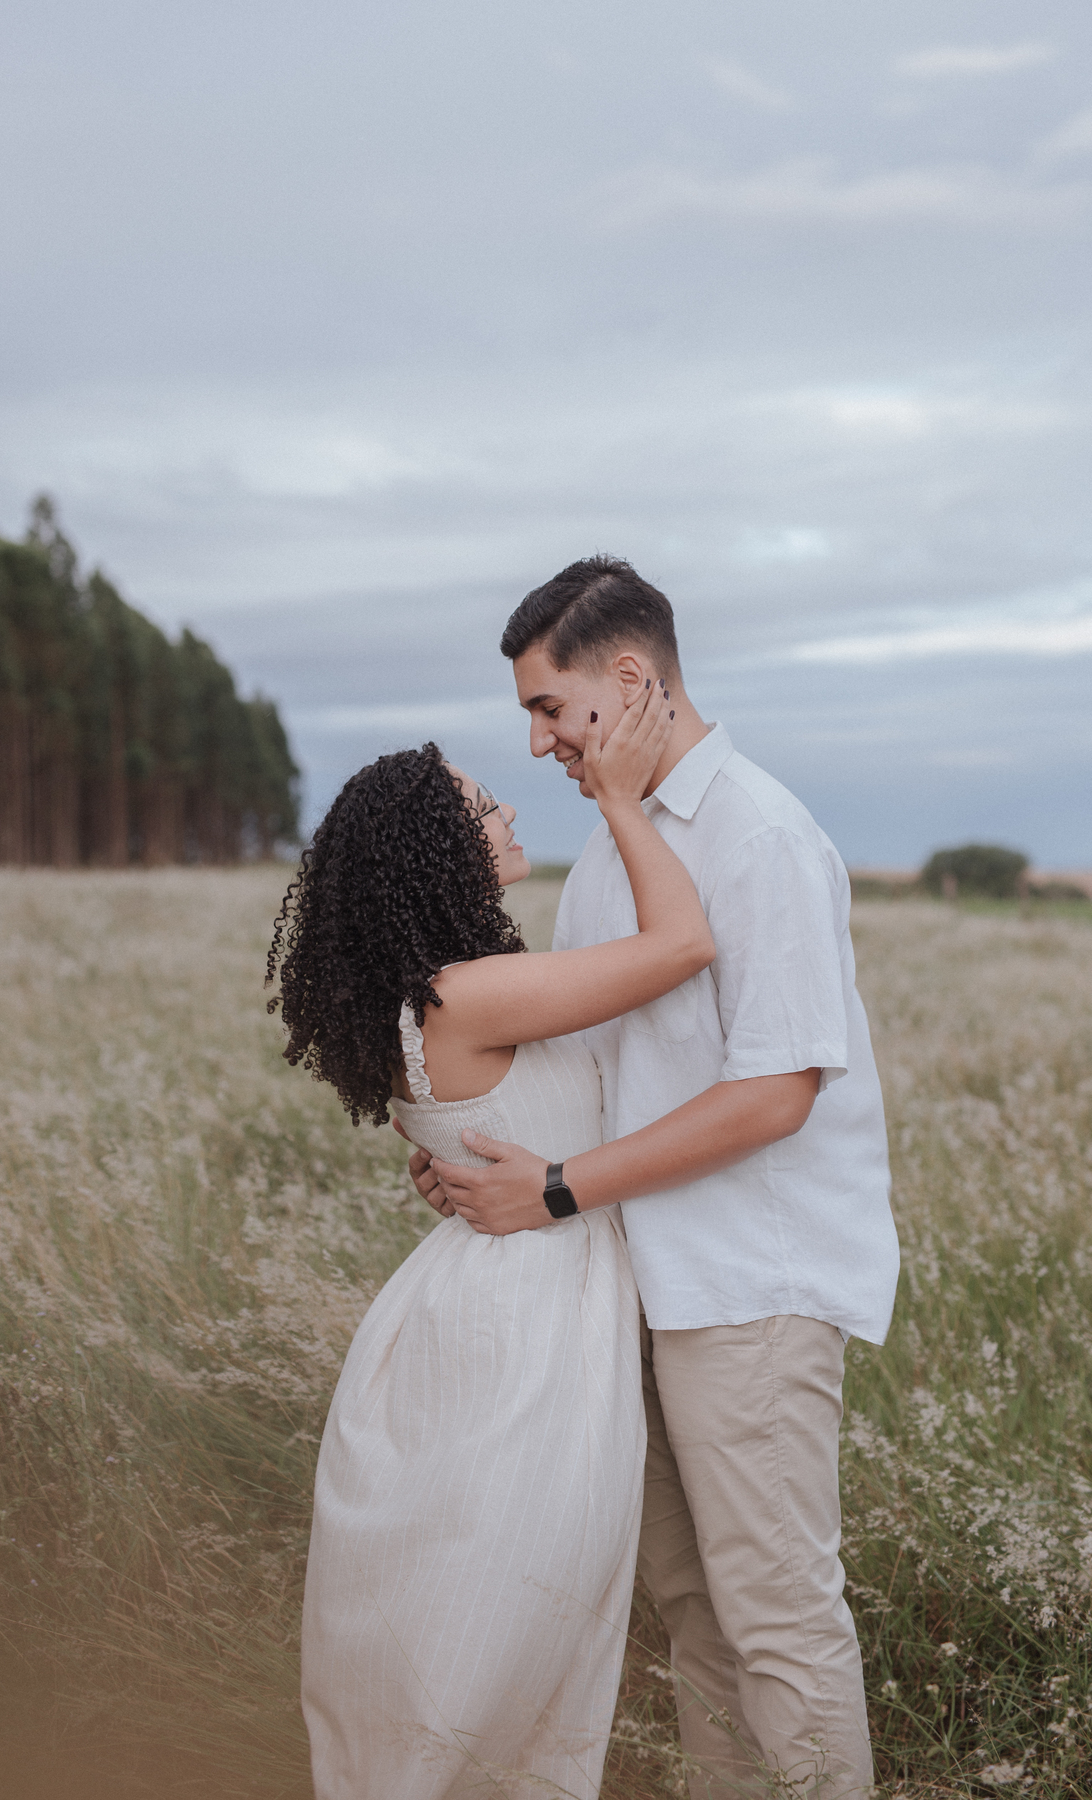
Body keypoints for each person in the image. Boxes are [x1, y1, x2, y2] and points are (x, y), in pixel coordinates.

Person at [411, 556, 901, 1799]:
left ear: (630, 682)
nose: (534, 744)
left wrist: (564, 1187)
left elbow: (776, 1093)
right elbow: (595, 1074)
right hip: (639, 1287)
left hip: (751, 1286)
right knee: (694, 1614)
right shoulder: (604, 864)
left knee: (780, 1621)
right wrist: (491, 1164)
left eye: (547, 706)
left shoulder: (764, 837)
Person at [268, 684, 715, 1800]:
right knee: (502, 1612)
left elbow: (483, 1125)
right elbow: (684, 944)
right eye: (481, 808)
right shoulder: (466, 995)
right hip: (521, 1327)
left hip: (487, 1302)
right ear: (435, 855)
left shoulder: (433, 1000)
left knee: (481, 1609)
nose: (509, 810)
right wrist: (619, 798)